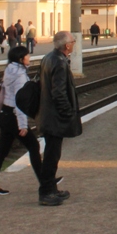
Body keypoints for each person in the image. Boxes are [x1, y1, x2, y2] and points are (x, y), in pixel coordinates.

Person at [0, 46, 43, 196]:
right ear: (21, 59)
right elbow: (20, 101)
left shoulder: (9, 69)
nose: (29, 58)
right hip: (12, 116)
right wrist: (23, 125)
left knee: (2, 151)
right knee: (33, 145)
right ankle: (46, 181)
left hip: (4, 114)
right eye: (27, 55)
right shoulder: (20, 76)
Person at [37, 31, 82, 206]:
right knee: (51, 155)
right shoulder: (59, 62)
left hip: (48, 114)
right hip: (54, 117)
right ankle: (46, 192)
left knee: (52, 153)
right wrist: (68, 113)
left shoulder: (49, 58)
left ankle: (51, 188)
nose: (74, 43)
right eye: (73, 40)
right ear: (67, 45)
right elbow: (59, 93)